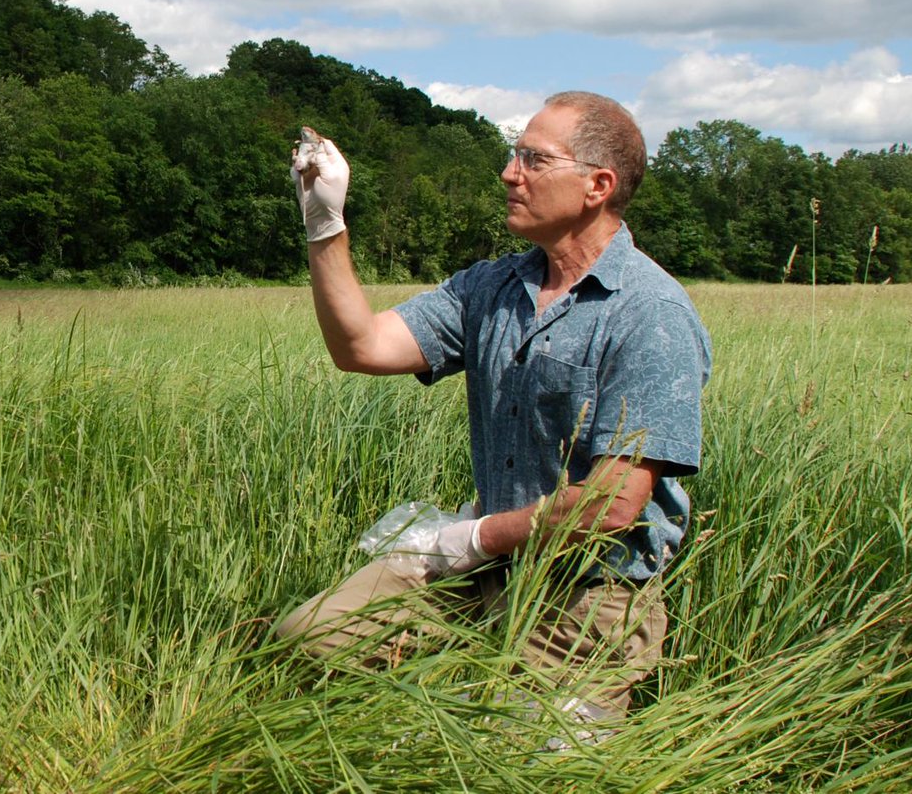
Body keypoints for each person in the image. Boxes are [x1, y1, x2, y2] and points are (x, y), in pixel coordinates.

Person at [275, 91, 711, 724]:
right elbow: (361, 346)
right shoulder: (493, 287)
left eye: (534, 159)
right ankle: (412, 723)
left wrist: (473, 538)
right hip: (488, 560)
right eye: (515, 155)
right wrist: (325, 226)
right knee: (311, 637)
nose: (510, 173)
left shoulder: (651, 315)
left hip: (586, 594)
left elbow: (611, 506)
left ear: (598, 184)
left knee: (520, 755)